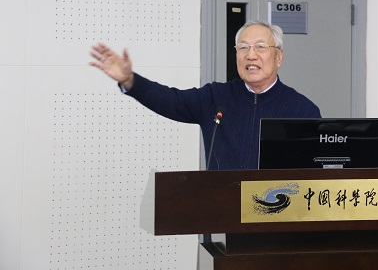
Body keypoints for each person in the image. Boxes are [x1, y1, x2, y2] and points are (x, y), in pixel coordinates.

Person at [89, 20, 321, 170]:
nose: (251, 55)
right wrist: (130, 80)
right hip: (224, 211)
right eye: (243, 48)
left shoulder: (302, 110)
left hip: (277, 214)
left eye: (260, 47)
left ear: (279, 57)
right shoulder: (216, 97)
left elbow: (315, 170)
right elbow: (170, 100)